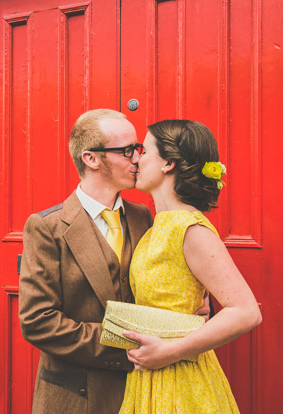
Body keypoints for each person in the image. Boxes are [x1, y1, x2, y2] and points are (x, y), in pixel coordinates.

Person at [118, 119, 262, 413]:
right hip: (149, 377)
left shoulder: (190, 228)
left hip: (180, 379)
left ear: (168, 163)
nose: (135, 158)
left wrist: (169, 351)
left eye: (143, 151)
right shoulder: (157, 224)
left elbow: (246, 312)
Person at [18, 109, 155, 414]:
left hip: (142, 390)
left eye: (139, 149)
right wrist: (129, 345)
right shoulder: (46, 227)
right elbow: (38, 322)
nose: (137, 159)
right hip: (77, 396)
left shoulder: (142, 215)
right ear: (91, 159)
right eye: (127, 150)